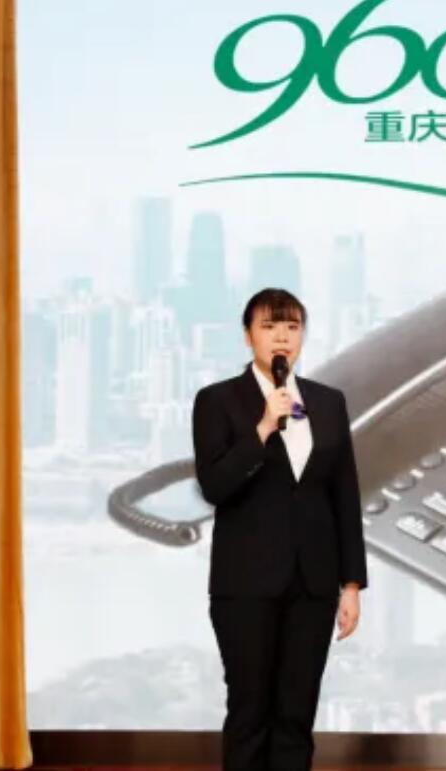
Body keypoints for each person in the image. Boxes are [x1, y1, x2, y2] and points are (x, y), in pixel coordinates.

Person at [191, 288, 368, 771]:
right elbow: (215, 485)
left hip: (313, 583)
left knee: (296, 715)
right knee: (250, 712)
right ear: (248, 336)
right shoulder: (218, 401)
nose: (282, 337)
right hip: (246, 584)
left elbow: (344, 494)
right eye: (269, 326)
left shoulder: (328, 402)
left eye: (292, 326)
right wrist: (263, 427)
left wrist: (351, 584)